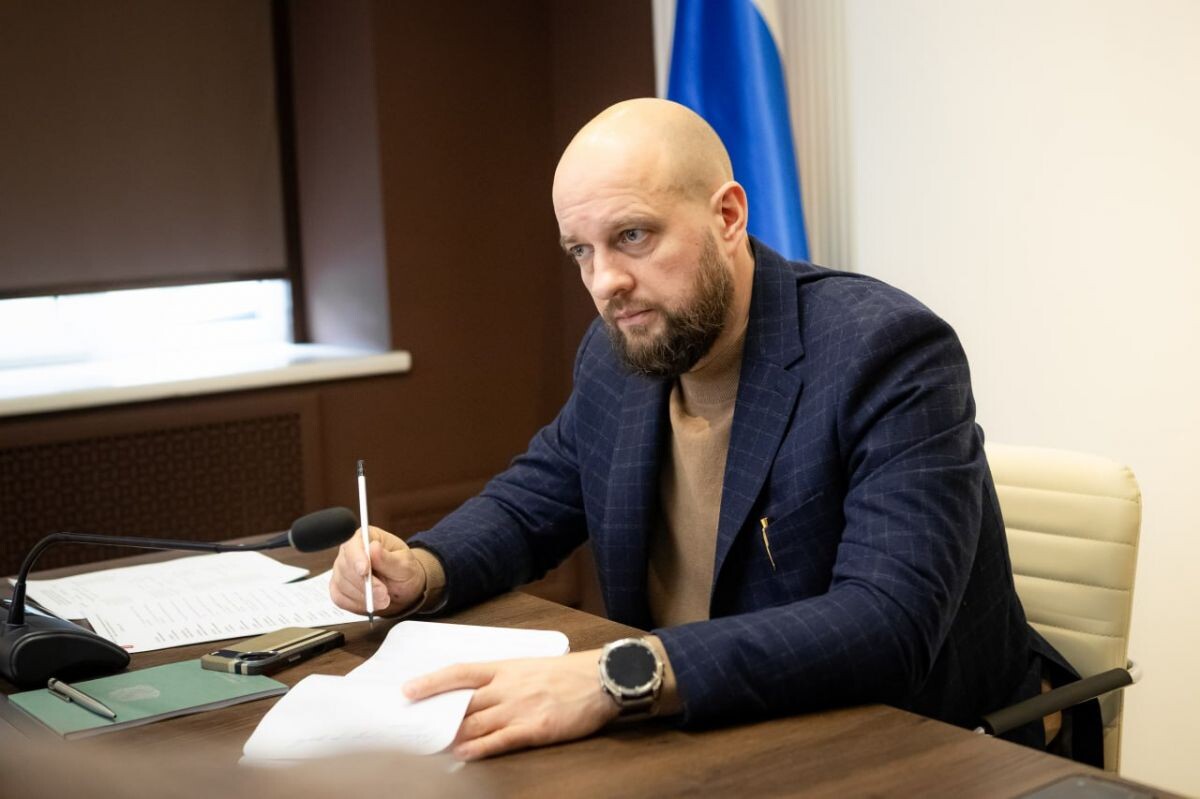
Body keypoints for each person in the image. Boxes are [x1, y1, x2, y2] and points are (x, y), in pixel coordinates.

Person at [330, 98, 1095, 763]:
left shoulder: (884, 350)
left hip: (913, 745)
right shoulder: (620, 350)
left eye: (633, 235)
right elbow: (533, 501)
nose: (605, 281)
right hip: (713, 733)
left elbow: (888, 624)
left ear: (727, 215)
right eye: (582, 251)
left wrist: (616, 673)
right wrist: (423, 566)